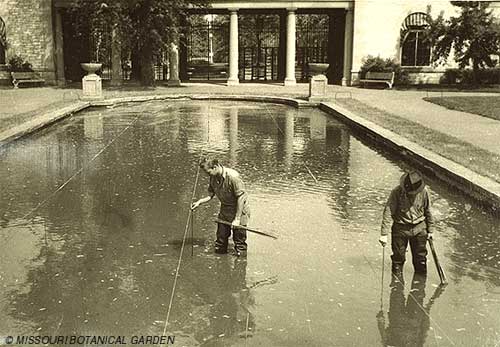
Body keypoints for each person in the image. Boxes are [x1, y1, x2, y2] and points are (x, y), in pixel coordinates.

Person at [379, 171, 435, 278]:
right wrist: (384, 234)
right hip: (400, 229)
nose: (416, 177)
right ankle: (396, 286)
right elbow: (388, 211)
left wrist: (430, 230)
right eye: (413, 175)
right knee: (398, 258)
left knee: (420, 259)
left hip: (419, 229)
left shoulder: (424, 192)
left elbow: (428, 211)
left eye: (418, 175)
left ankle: (420, 286)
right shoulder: (396, 192)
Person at [191, 157, 250, 256]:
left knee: (239, 244)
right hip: (224, 211)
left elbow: (241, 197)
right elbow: (211, 195)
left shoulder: (233, 177)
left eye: (208, 172)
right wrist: (199, 202)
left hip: (239, 211)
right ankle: (221, 265)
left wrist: (237, 219)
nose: (207, 175)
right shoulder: (213, 177)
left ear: (215, 167)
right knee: (220, 242)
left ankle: (240, 266)